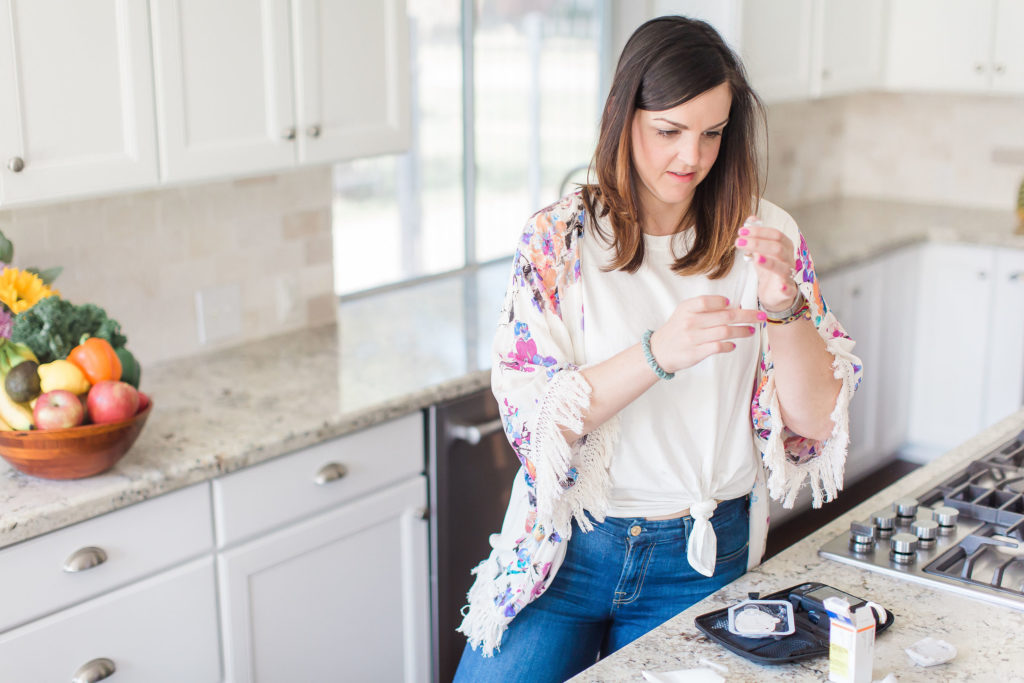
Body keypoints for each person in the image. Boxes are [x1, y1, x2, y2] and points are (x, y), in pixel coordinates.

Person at [453, 15, 861, 683]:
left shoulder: (766, 234)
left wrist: (785, 304)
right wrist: (656, 355)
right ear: (624, 117)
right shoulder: (560, 239)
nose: (690, 158)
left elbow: (817, 421)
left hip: (700, 557)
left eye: (711, 133)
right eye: (668, 130)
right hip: (569, 546)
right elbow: (535, 423)